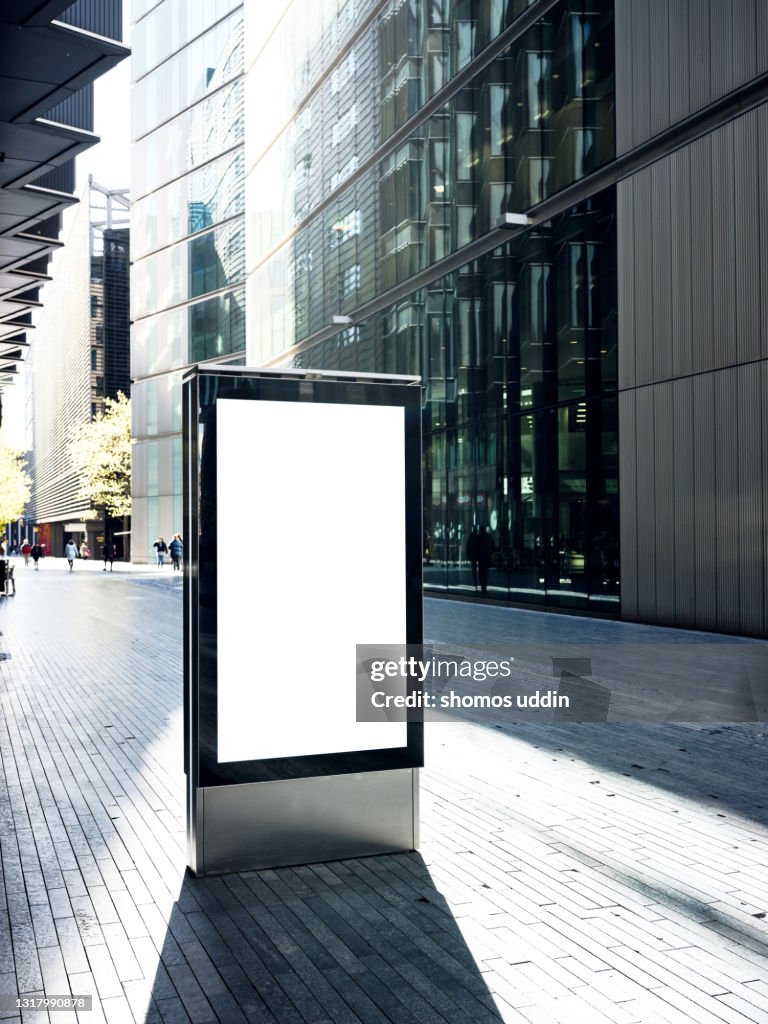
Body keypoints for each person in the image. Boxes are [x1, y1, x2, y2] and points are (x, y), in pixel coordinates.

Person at [476, 525, 495, 594]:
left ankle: (482, 586)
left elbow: (476, 547)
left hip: (480, 557)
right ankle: (484, 586)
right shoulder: (489, 536)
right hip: (486, 557)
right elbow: (493, 546)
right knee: (485, 572)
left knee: (481, 572)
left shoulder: (478, 536)